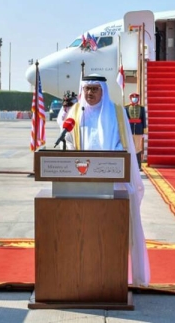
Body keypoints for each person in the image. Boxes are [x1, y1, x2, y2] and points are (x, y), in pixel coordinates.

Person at [64, 74, 150, 287]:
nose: (90, 93)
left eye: (95, 89)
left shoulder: (117, 113)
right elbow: (68, 142)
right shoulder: (75, 113)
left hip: (112, 186)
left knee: (108, 236)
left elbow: (125, 146)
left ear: (103, 90)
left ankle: (111, 279)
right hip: (80, 186)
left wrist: (107, 164)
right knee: (83, 235)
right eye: (87, 89)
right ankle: (82, 278)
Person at [125, 92, 147, 171]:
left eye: (136, 97)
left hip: (138, 130)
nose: (134, 98)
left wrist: (144, 131)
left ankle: (138, 165)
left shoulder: (141, 108)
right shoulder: (126, 107)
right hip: (129, 130)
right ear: (130, 98)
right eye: (133, 97)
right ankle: (129, 165)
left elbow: (143, 119)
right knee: (129, 147)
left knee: (138, 148)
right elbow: (125, 120)